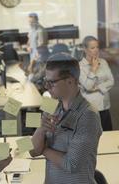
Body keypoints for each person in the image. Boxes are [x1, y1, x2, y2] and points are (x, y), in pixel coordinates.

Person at [30, 53, 102, 184]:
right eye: (46, 81)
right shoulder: (50, 104)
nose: (47, 87)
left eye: (51, 82)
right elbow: (33, 151)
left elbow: (71, 164)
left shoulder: (88, 115)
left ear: (70, 81)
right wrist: (40, 130)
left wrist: (44, 149)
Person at [79, 35, 114, 131]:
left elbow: (111, 81)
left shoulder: (103, 62)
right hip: (91, 108)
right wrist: (93, 69)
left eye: (97, 47)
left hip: (105, 105)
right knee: (94, 136)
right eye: (92, 48)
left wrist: (98, 87)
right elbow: (88, 87)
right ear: (85, 49)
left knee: (108, 135)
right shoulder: (80, 67)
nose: (96, 50)